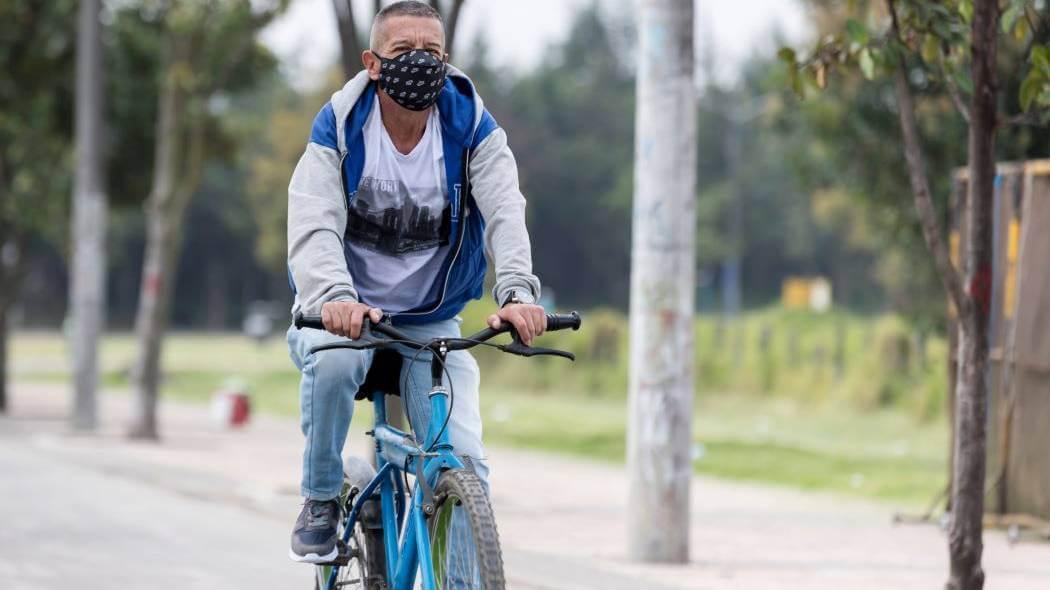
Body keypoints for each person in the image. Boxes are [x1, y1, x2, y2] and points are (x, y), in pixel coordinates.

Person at [285, 1, 545, 563]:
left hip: (430, 319)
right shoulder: (341, 125)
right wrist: (333, 298)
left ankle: (460, 576)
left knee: (462, 462)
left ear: (446, 61)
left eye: (432, 52)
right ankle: (322, 497)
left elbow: (505, 211)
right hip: (347, 313)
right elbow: (314, 225)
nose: (420, 62)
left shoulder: (472, 126)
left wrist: (518, 293)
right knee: (333, 362)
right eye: (404, 51)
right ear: (373, 62)